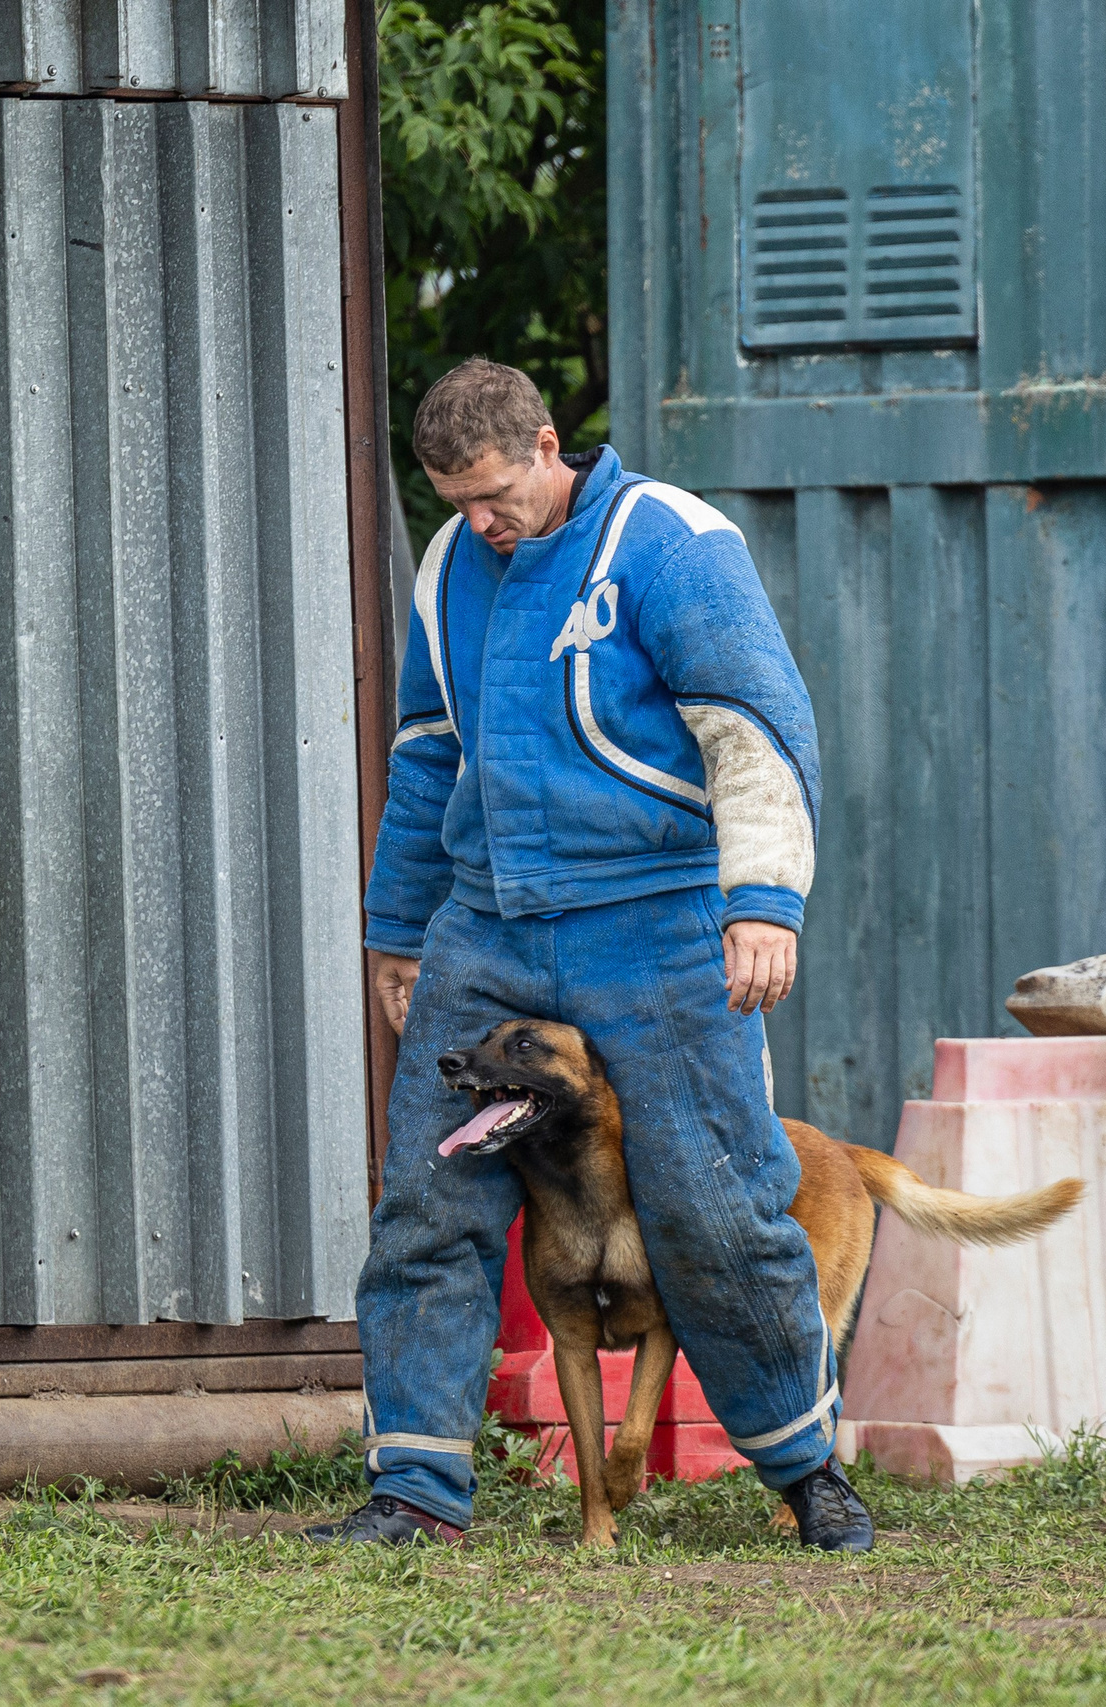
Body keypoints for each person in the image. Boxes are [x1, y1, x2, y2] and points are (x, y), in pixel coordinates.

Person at [302, 359, 871, 1551]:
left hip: (655, 918)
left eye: (495, 494)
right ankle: (414, 1490)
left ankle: (807, 1471)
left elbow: (753, 724)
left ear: (549, 445)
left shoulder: (671, 542)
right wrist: (396, 934)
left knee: (719, 1203)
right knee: (425, 1204)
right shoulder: (451, 564)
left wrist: (762, 902)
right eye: (457, 501)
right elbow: (427, 753)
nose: (480, 522)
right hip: (487, 924)